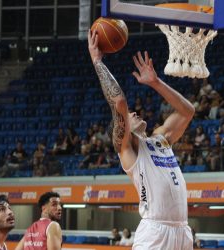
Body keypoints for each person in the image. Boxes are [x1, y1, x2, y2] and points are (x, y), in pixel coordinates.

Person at [88, 30, 194, 249]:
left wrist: (156, 83)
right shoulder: (127, 149)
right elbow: (119, 103)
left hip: (182, 229)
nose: (134, 113)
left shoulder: (161, 139)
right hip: (155, 230)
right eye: (129, 117)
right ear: (122, 128)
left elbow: (187, 111)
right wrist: (97, 61)